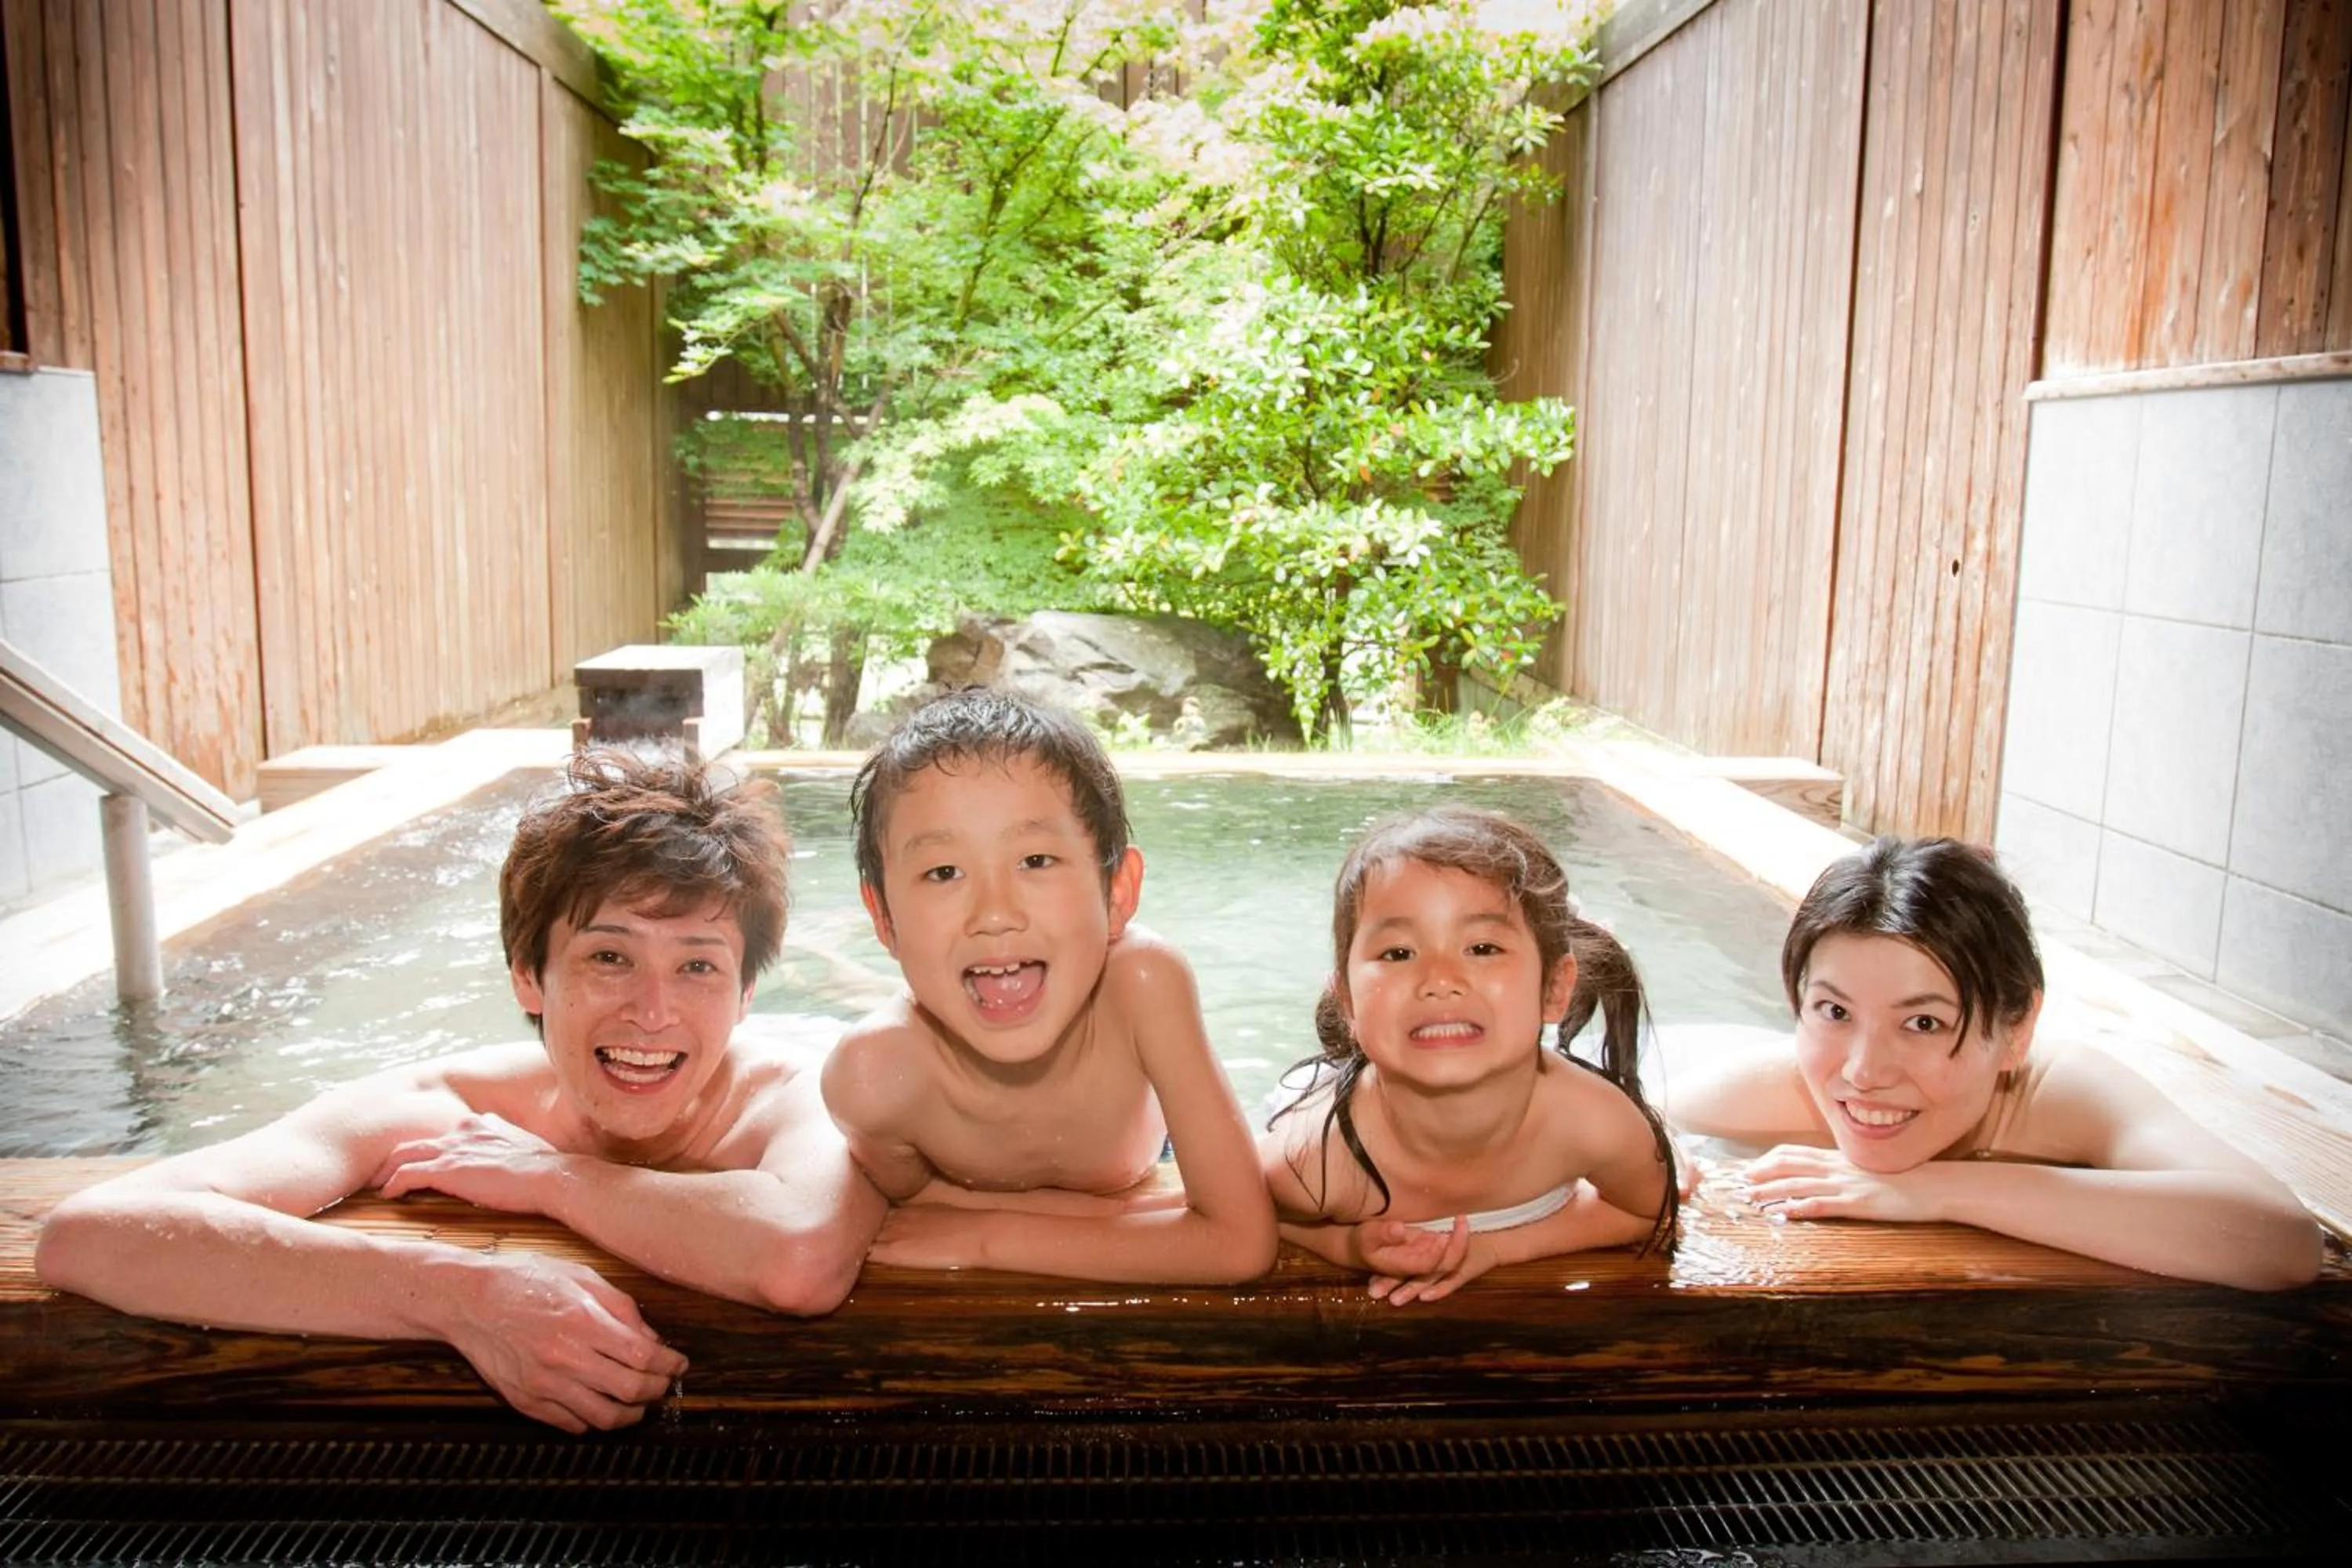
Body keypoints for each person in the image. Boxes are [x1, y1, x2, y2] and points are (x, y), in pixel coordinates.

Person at [34, 747, 887, 1432]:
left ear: (744, 996)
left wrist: (552, 1179)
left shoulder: (805, 1094)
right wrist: (463, 1293)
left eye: (697, 964)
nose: (651, 1010)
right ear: (528, 976)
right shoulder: (444, 1106)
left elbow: (799, 1257)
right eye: (608, 955)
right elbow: (90, 1234)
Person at [1661, 836, 2322, 1290]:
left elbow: (2283, 1243)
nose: (1863, 1070)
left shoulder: (2065, 1095)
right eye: (1834, 1012)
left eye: (1923, 1023)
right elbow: (1650, 1119)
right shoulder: (1767, 1092)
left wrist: (1932, 1189)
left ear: (2017, 1030)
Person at [820, 688, 1277, 1285]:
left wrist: (989, 1239)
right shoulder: (874, 1080)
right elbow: (916, 1211)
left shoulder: (1141, 985)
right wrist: (1104, 1216)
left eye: (1035, 861)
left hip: (1152, 1152)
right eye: (943, 872)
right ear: (884, 919)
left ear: (1117, 894)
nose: (995, 913)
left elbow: (1240, 1243)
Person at [1262, 806, 1679, 1305]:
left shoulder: (1593, 1123)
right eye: (1398, 953)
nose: (1440, 981)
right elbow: (1245, 1214)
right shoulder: (1316, 1159)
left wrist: (1497, 1248)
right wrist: (1346, 1243)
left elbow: (1651, 1213)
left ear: (1554, 988)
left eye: (1482, 948)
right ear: (1347, 1001)